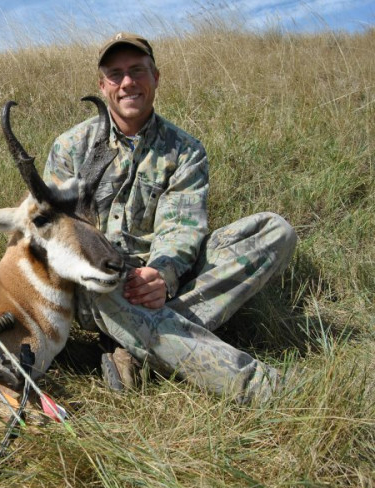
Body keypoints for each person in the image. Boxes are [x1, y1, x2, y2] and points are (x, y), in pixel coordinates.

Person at [43, 32, 297, 403]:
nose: (127, 82)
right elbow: (55, 231)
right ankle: (265, 388)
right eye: (115, 74)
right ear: (102, 85)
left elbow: (182, 224)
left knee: (275, 231)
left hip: (157, 279)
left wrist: (162, 273)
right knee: (101, 277)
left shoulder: (185, 150)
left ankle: (134, 348)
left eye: (137, 70)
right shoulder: (71, 147)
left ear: (156, 77)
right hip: (96, 283)